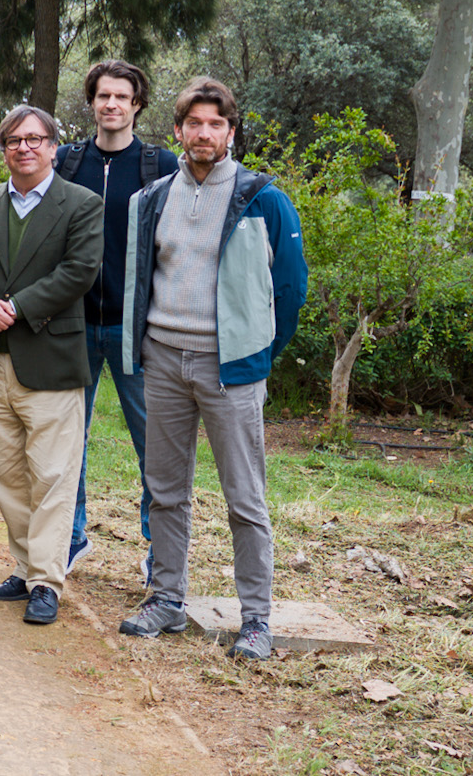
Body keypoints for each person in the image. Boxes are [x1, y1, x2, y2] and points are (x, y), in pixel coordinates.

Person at [116, 78, 308, 662]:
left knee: (245, 498)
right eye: (194, 123)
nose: (204, 133)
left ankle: (255, 620)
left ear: (230, 131)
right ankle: (166, 598)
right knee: (165, 491)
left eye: (215, 124)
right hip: (164, 362)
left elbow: (291, 287)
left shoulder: (262, 198)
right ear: (177, 130)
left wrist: (256, 357)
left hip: (232, 372)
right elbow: (135, 278)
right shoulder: (149, 199)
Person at [0, 106, 103, 626]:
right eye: (14, 140)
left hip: (51, 360)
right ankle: (23, 568)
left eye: (35, 139)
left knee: (54, 476)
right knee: (7, 475)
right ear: (5, 148)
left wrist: (14, 308)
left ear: (54, 147)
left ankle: (46, 582)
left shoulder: (81, 204)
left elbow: (79, 271)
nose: (24, 147)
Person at [55, 60, 179, 575]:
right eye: (103, 96)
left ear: (137, 105)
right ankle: (71, 535)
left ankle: (160, 552)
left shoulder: (161, 165)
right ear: (91, 102)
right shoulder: (65, 161)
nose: (111, 105)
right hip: (72, 327)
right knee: (65, 442)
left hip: (137, 330)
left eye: (121, 98)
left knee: (154, 446)